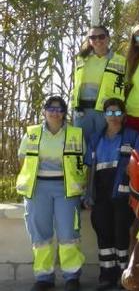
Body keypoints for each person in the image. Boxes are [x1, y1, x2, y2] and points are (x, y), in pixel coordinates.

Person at [16, 96, 87, 291]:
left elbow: (83, 163)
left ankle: (72, 276)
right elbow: (23, 159)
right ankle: (44, 277)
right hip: (38, 189)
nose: (55, 113)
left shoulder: (75, 133)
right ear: (44, 111)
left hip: (66, 189)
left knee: (68, 233)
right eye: (51, 109)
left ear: (65, 113)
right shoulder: (32, 133)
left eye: (59, 109)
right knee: (41, 235)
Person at [84, 98, 139, 290]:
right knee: (103, 233)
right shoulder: (95, 138)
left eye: (117, 113)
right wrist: (88, 194)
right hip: (100, 192)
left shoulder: (132, 136)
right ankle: (106, 275)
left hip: (123, 195)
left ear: (124, 116)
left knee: (121, 234)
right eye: (109, 112)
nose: (113, 116)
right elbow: (89, 168)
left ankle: (122, 275)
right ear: (104, 115)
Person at [72, 25, 126, 141]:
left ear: (108, 38)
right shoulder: (81, 59)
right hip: (82, 112)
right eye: (93, 37)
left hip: (106, 111)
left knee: (104, 143)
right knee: (82, 146)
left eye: (101, 37)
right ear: (89, 40)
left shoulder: (120, 60)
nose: (97, 40)